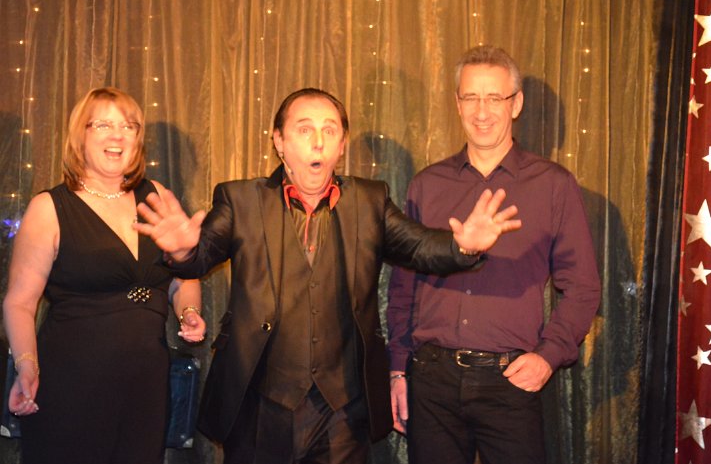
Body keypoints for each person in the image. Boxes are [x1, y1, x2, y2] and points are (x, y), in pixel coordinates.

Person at [132, 87, 521, 464]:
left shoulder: (370, 200)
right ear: (279, 141)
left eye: (329, 130)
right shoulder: (240, 199)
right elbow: (200, 257)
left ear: (342, 144)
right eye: (304, 129)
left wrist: (462, 246)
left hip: (343, 409)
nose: (318, 142)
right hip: (260, 401)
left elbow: (419, 247)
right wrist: (181, 250)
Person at [386, 45, 601, 464]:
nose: (481, 111)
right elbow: (403, 287)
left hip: (510, 383)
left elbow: (583, 288)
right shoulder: (427, 186)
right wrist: (397, 369)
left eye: (494, 98)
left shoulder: (553, 185)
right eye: (471, 97)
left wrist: (548, 356)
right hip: (431, 383)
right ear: (457, 103)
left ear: (516, 104)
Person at [2, 87, 207, 464]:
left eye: (129, 126)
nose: (118, 135)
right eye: (103, 125)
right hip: (70, 385)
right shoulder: (49, 207)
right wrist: (27, 365)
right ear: (79, 135)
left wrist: (189, 312)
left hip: (145, 385)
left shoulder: (156, 196)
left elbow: (183, 276)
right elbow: (19, 302)